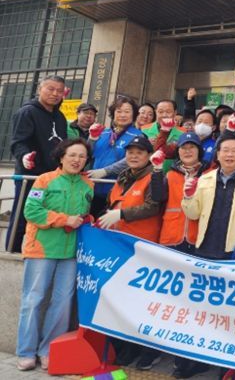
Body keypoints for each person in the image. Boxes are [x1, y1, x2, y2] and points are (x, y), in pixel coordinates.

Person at [15, 139, 93, 371]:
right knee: (33, 300)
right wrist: (64, 219)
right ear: (61, 157)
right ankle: (26, 352)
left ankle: (49, 350)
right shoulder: (44, 180)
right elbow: (31, 211)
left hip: (70, 252)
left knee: (62, 303)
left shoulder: (88, 185)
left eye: (82, 156)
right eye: (72, 155)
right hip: (42, 248)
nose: (77, 160)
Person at [97, 135, 165, 370]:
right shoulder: (123, 177)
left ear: (149, 156)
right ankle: (123, 346)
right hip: (119, 247)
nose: (134, 156)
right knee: (121, 300)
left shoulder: (155, 176)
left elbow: (153, 206)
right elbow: (112, 202)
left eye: (140, 152)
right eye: (130, 152)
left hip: (142, 248)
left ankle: (141, 349)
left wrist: (122, 214)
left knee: (141, 303)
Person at [152, 132, 209, 379]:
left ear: (199, 151)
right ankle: (176, 358)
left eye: (192, 147)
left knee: (194, 302)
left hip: (197, 242)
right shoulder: (171, 174)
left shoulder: (209, 174)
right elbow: (157, 198)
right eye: (184, 147)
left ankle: (190, 360)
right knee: (173, 301)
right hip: (172, 239)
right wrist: (156, 171)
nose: (187, 151)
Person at [8, 75, 69, 253]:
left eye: (59, 91)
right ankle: (12, 252)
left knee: (47, 217)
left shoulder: (60, 117)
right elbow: (18, 142)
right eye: (50, 89)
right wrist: (24, 156)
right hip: (30, 176)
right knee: (22, 215)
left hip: (53, 178)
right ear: (39, 89)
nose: (55, 94)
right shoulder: (27, 112)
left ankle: (38, 253)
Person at [182, 134, 235, 260]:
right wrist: (188, 196)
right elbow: (193, 214)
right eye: (225, 150)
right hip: (204, 248)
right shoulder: (204, 179)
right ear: (218, 155)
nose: (229, 155)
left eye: (234, 151)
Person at [86, 96, 141, 216]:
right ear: (113, 113)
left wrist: (105, 171)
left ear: (134, 114)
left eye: (127, 111)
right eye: (119, 111)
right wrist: (91, 139)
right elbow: (87, 155)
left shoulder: (138, 136)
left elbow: (132, 160)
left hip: (118, 191)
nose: (122, 115)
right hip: (93, 189)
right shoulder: (103, 132)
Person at [140, 99, 186, 173]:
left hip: (172, 173)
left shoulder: (183, 132)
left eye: (168, 112)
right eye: (160, 112)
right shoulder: (143, 129)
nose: (164, 115)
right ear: (156, 112)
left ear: (175, 113)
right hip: (147, 172)